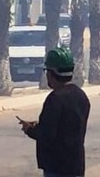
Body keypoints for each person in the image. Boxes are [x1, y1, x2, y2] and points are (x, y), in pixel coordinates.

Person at [18, 47, 90, 177]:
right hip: (76, 165)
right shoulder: (80, 95)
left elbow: (47, 134)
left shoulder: (55, 99)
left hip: (57, 167)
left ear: (51, 74)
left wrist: (30, 129)